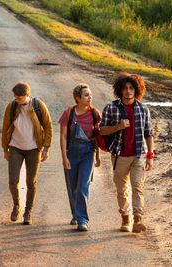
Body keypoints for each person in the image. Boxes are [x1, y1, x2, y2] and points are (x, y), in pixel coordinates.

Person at [99, 73, 154, 233]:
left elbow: (148, 133)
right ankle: (125, 218)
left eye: (131, 88)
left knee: (137, 187)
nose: (128, 91)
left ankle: (138, 219)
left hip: (138, 155)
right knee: (122, 190)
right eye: (125, 88)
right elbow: (102, 130)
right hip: (119, 156)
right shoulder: (111, 108)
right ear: (120, 90)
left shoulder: (143, 109)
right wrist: (118, 126)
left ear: (136, 90)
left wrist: (150, 155)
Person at [1, 81, 53, 225]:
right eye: (15, 97)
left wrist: (46, 148)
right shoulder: (12, 107)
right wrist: (5, 148)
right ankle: (17, 205)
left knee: (31, 182)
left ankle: (28, 212)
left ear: (27, 95)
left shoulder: (38, 106)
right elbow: (5, 127)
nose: (17, 100)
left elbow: (48, 126)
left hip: (34, 149)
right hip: (15, 148)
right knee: (13, 180)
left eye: (20, 98)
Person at [58, 83, 101, 231]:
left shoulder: (95, 113)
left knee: (83, 186)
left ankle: (82, 220)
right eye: (86, 95)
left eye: (90, 94)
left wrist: (98, 156)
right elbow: (63, 136)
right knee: (73, 187)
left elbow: (97, 136)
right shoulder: (68, 114)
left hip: (88, 153)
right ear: (78, 98)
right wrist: (64, 157)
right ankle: (75, 214)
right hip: (72, 153)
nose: (90, 97)